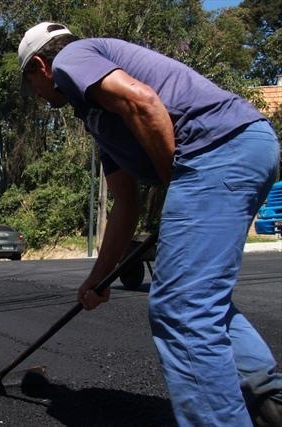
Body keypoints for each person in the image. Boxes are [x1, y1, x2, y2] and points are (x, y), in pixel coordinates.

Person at [19, 22, 281, 426]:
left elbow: (144, 102)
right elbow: (126, 203)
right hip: (239, 147)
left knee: (180, 309)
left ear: (41, 65)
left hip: (218, 149)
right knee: (196, 297)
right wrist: (97, 279)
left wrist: (176, 184)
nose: (35, 94)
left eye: (30, 83)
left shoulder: (72, 58)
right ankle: (269, 400)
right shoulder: (94, 115)